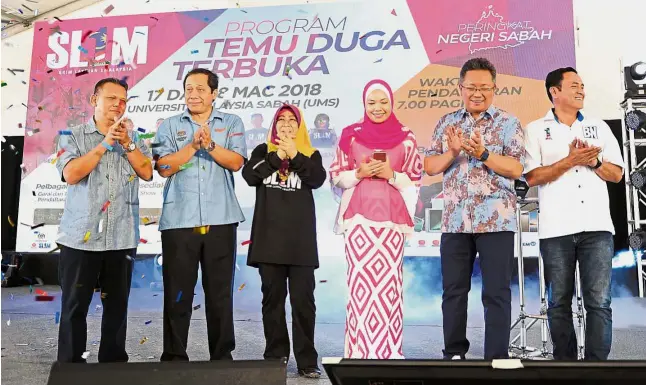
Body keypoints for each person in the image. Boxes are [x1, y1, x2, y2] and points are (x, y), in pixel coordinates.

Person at [424, 58, 525, 360]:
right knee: (453, 293)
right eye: (471, 87)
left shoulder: (509, 123)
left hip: (496, 222)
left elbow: (516, 167)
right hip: (455, 222)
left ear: (495, 88)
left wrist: (482, 153)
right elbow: (430, 165)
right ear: (460, 87)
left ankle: (496, 357)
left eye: (484, 87)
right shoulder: (447, 122)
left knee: (496, 293)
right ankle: (453, 353)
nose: (477, 93)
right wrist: (453, 152)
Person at [524, 67, 624, 360]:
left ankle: (597, 367)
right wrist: (569, 161)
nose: (582, 90)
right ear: (555, 92)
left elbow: (616, 174)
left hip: (597, 227)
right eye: (574, 85)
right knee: (558, 303)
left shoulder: (598, 127)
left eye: (582, 85)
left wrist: (593, 162)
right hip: (556, 229)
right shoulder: (535, 129)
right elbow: (531, 177)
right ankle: (564, 366)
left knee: (599, 302)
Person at [55, 77, 153, 363]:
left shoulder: (136, 138)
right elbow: (71, 174)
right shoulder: (71, 136)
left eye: (122, 100)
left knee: (117, 308)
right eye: (111, 98)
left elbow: (147, 173)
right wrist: (105, 144)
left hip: (121, 237)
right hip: (80, 237)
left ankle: (112, 366)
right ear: (94, 100)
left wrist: (128, 144)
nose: (117, 105)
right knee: (74, 307)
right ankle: (71, 367)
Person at [152, 68, 246, 361]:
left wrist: (210, 145)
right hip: (180, 220)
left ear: (214, 93)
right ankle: (174, 356)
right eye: (189, 89)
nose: (193, 94)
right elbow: (163, 167)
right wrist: (192, 147)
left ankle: (221, 356)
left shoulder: (231, 122)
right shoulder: (168, 125)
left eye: (200, 89)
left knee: (219, 294)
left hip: (220, 220)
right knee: (178, 292)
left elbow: (236, 163)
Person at [329, 79, 423, 359]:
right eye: (372, 102)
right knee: (359, 285)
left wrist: (390, 175)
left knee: (389, 286)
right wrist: (358, 174)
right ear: (364, 104)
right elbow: (336, 176)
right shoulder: (350, 135)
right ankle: (358, 352)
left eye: (383, 102)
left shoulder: (407, 137)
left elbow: (415, 179)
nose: (378, 108)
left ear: (391, 103)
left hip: (392, 221)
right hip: (358, 220)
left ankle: (389, 351)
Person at [242, 104, 326, 378]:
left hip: (300, 243)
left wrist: (295, 155)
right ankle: (275, 358)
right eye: (282, 120)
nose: (287, 124)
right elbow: (250, 176)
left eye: (292, 120)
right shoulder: (262, 152)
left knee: (304, 303)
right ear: (274, 125)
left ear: (300, 126)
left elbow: (316, 179)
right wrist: (278, 156)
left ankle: (307, 361)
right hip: (270, 241)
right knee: (272, 302)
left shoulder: (310, 154)